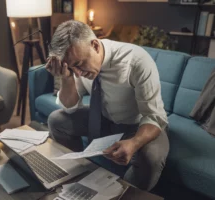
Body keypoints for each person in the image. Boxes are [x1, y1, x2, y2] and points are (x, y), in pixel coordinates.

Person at [46, 20, 169, 191]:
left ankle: (123, 194)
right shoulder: (77, 64)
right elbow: (70, 107)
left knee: (151, 158)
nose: (78, 73)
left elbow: (154, 116)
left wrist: (133, 143)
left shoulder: (136, 61)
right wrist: (66, 78)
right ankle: (77, 177)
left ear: (95, 45)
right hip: (104, 119)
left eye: (79, 64)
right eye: (73, 68)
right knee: (56, 120)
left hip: (138, 124)